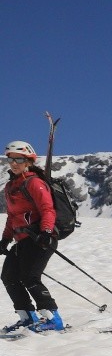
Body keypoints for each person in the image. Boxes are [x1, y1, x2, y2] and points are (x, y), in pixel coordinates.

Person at [2, 141, 64, 334]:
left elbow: (48, 209)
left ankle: (53, 319)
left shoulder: (34, 182)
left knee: (30, 277)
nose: (14, 163)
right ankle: (28, 317)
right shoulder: (11, 187)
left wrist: (45, 232)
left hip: (41, 237)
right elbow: (12, 217)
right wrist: (5, 239)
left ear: (28, 161)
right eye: (11, 159)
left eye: (19, 159)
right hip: (22, 239)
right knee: (9, 276)